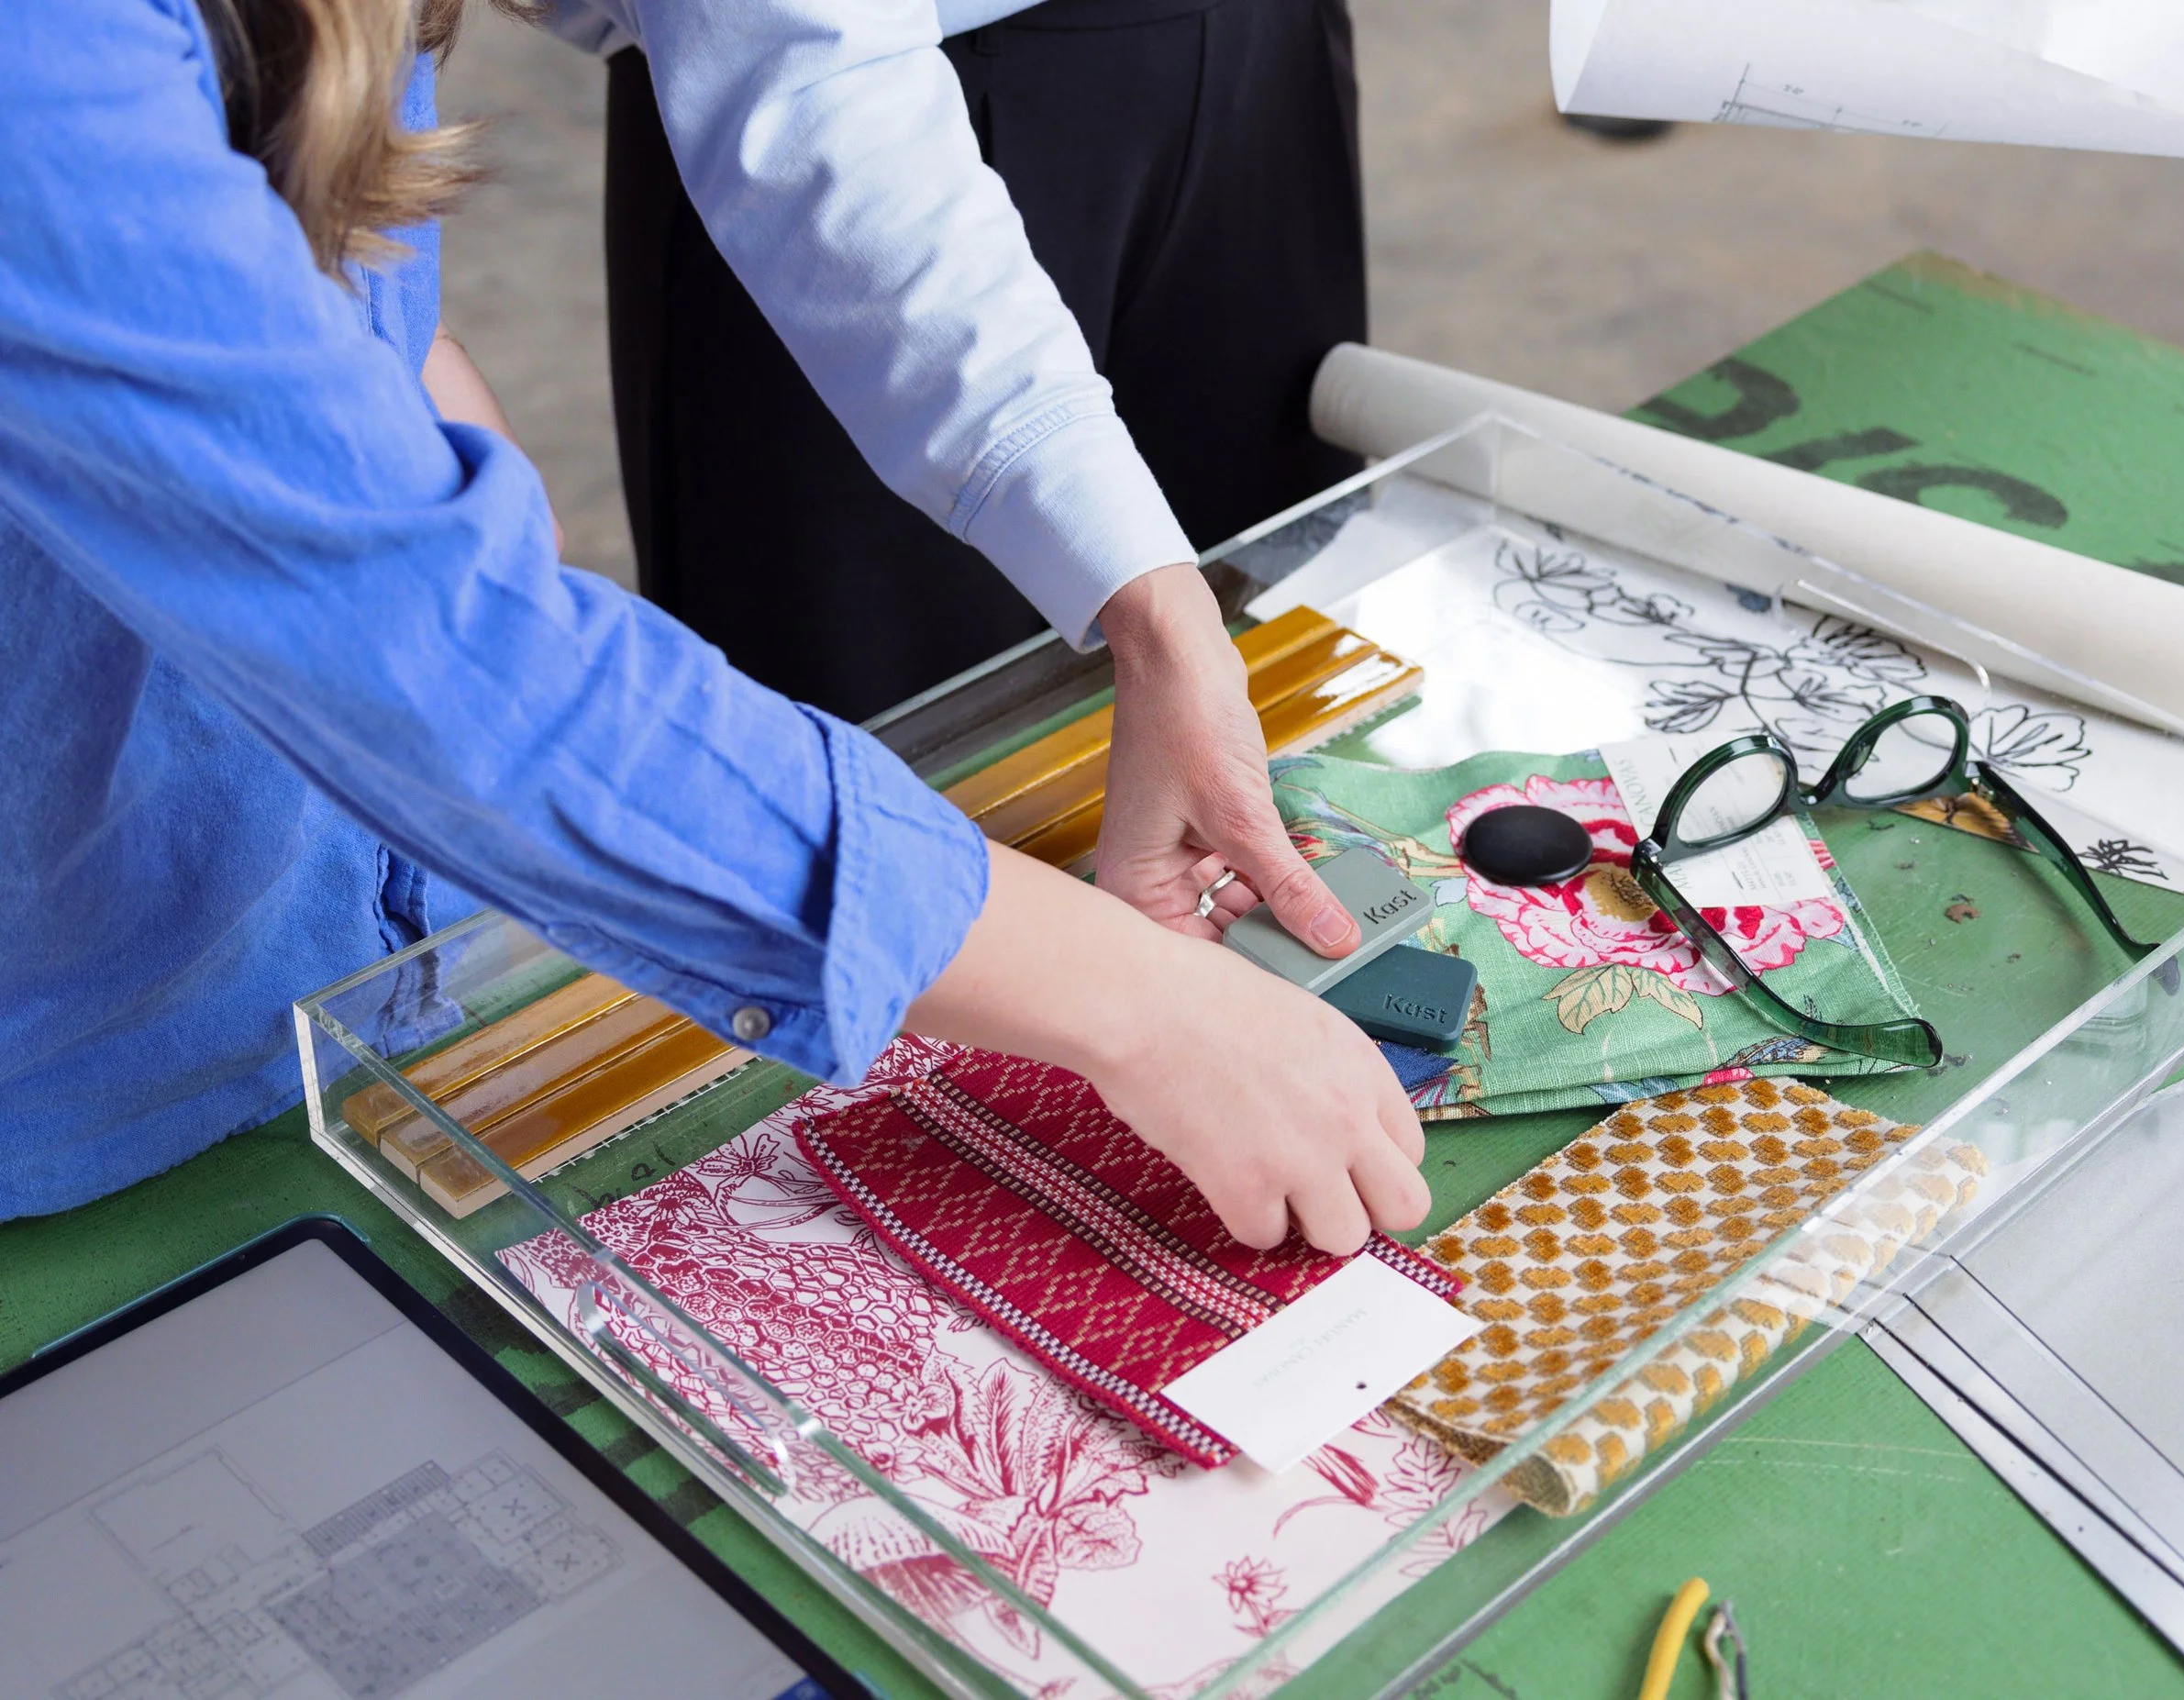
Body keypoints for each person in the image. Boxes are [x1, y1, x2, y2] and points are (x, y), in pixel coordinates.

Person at [0, 0, 1429, 1255]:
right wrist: (1142, 1005)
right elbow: (459, 666)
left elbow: (802, 60)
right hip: (82, 1078)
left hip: (366, 955)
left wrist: (383, 362)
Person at [592, 0, 1369, 725]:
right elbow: (787, 51)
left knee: (1304, 704)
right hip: (855, 115)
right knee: (892, 757)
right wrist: (1151, 606)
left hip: (1265, 54)